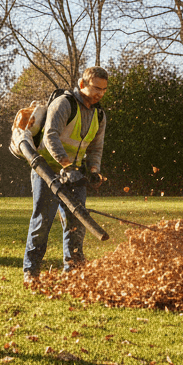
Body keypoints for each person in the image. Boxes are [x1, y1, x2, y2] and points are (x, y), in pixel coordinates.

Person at [22, 66, 108, 287]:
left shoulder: (99, 114)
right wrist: (66, 165)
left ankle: (73, 273)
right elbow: (50, 136)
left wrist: (94, 171)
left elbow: (96, 148)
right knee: (43, 222)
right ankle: (31, 273)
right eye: (96, 88)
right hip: (47, 171)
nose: (100, 93)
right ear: (82, 84)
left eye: (104, 90)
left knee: (76, 224)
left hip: (75, 174)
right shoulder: (64, 104)